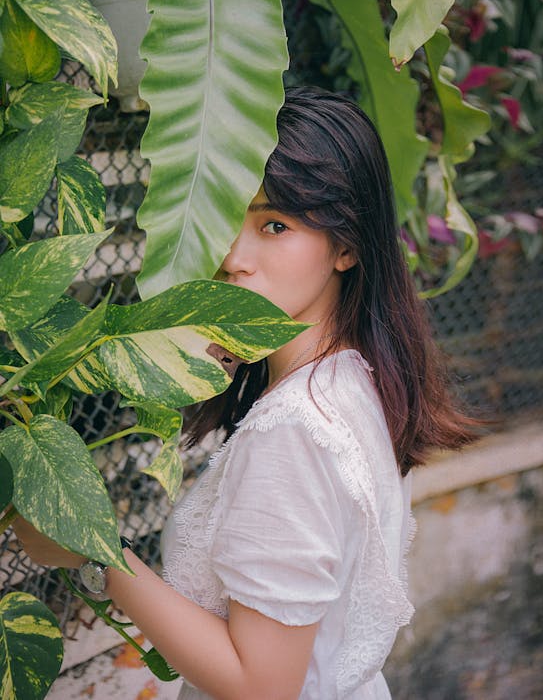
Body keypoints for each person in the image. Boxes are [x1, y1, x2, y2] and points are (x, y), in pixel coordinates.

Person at [13, 87, 478, 699]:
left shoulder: (294, 429)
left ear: (346, 246)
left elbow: (262, 686)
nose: (234, 256)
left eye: (274, 225)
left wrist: (95, 553)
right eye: (227, 217)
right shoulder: (355, 380)